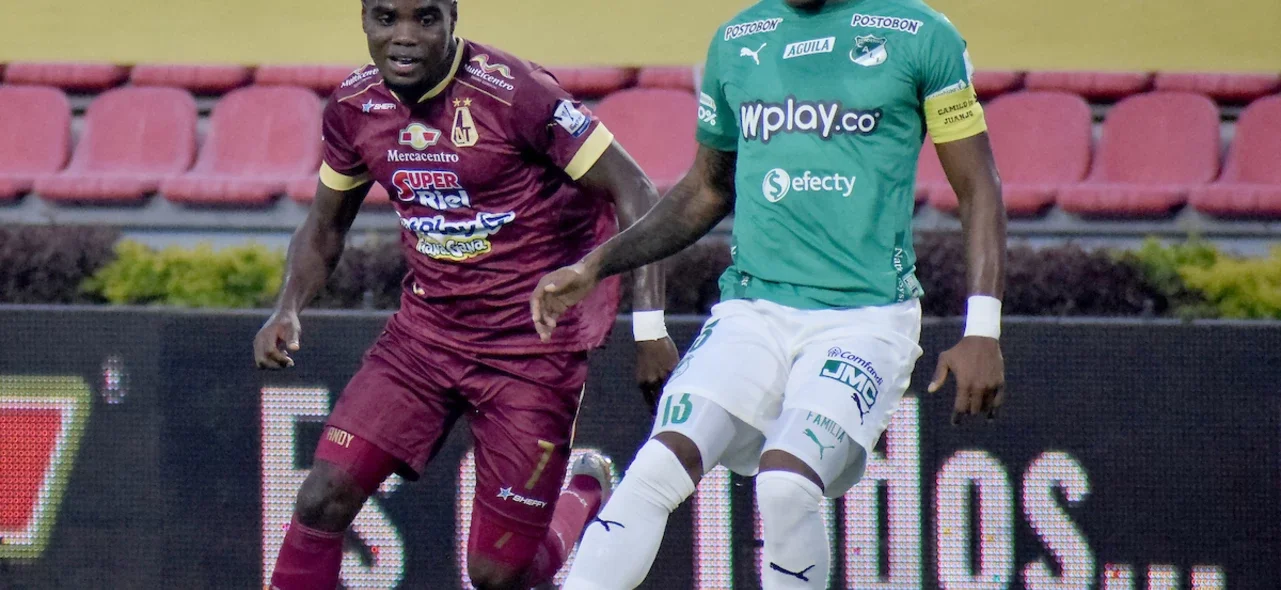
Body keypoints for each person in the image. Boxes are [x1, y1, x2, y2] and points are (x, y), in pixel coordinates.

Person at [531, 0, 1007, 588]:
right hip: (752, 312)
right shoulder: (739, 39)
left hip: (865, 319)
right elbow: (707, 190)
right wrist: (596, 265)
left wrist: (982, 329)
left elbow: (978, 184)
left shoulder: (921, 35)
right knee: (656, 467)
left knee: (786, 486)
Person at [252, 1, 680, 588]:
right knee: (320, 500)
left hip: (532, 348)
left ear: (453, 17)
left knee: (496, 575)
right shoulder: (354, 106)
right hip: (425, 338)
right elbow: (325, 226)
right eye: (386, 19)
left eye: (425, 19)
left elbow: (636, 190)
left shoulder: (517, 92)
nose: (405, 37)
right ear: (364, 21)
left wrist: (650, 329)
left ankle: (582, 493)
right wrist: (287, 308)